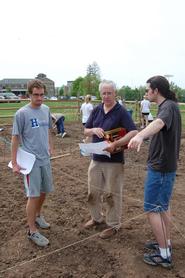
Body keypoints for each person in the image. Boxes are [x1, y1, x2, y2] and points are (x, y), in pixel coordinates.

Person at [128, 76, 181, 268]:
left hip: (160, 168)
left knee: (151, 209)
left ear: (156, 90)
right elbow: (159, 127)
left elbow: (158, 124)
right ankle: (165, 243)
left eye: (147, 90)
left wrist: (141, 136)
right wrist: (141, 132)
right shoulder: (170, 106)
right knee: (163, 207)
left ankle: (164, 255)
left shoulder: (168, 107)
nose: (146, 93)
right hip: (164, 166)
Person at [84, 80, 138, 239]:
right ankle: (96, 218)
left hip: (114, 162)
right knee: (92, 191)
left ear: (115, 93)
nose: (106, 96)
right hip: (96, 159)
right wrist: (93, 129)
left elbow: (133, 132)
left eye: (109, 93)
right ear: (100, 94)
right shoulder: (96, 110)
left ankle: (114, 225)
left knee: (112, 194)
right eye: (104, 93)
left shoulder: (121, 111)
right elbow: (86, 131)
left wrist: (116, 143)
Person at [11, 79, 54, 247]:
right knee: (33, 194)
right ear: (29, 94)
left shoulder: (46, 109)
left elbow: (48, 130)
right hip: (31, 162)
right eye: (36, 95)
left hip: (45, 159)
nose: (39, 98)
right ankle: (32, 230)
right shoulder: (21, 113)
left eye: (42, 95)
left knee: (44, 191)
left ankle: (38, 215)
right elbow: (15, 138)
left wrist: (51, 146)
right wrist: (14, 162)